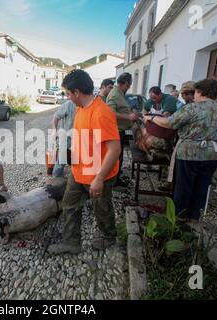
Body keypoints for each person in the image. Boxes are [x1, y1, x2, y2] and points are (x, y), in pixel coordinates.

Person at [48, 70, 121, 254]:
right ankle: (72, 243)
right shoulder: (80, 109)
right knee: (69, 205)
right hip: (79, 170)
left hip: (99, 175)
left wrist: (99, 178)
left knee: (102, 208)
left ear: (77, 92)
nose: (67, 97)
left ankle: (108, 236)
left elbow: (115, 150)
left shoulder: (101, 112)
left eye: (68, 93)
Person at [142, 79, 217, 222]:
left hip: (192, 153)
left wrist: (153, 117)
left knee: (184, 186)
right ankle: (194, 217)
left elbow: (169, 122)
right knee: (202, 186)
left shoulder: (193, 107)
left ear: (199, 92)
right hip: (215, 153)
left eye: (195, 92)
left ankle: (178, 218)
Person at [106, 73, 139, 188]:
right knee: (116, 157)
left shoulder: (120, 93)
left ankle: (116, 178)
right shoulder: (115, 94)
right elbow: (110, 113)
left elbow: (122, 109)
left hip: (122, 131)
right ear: (125, 83)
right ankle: (113, 181)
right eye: (129, 84)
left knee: (119, 157)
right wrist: (129, 117)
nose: (129, 87)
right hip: (116, 131)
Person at [51, 99, 76, 177]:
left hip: (79, 138)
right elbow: (56, 117)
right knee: (61, 161)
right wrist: (54, 130)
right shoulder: (69, 104)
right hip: (66, 137)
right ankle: (55, 180)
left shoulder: (87, 105)